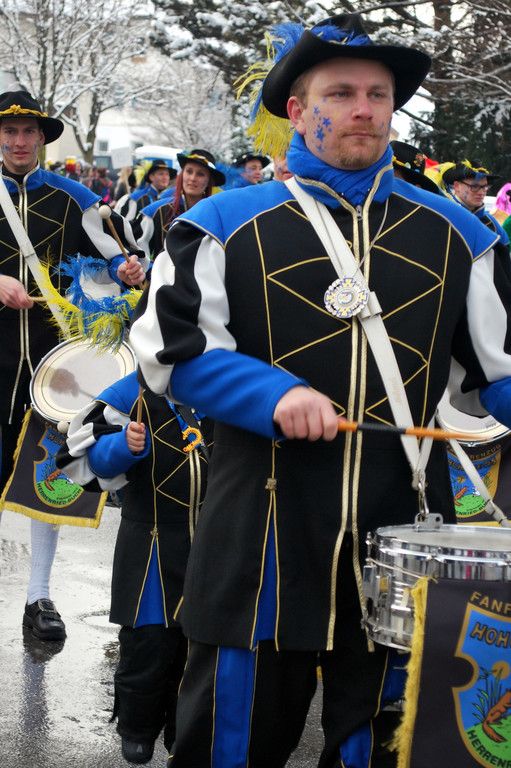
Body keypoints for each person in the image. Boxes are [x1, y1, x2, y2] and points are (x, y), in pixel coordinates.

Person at [130, 12, 511, 768]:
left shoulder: (461, 236)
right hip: (260, 527)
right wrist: (269, 394)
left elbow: (495, 375)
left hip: (403, 532)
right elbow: (170, 353)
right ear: (298, 111)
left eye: (378, 95)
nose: (363, 109)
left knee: (383, 746)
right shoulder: (219, 223)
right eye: (340, 93)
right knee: (231, 742)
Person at [0, 89, 146, 642]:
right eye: (9, 131)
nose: (19, 141)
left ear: (42, 138)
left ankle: (38, 595)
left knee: (49, 474)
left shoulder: (74, 197)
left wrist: (127, 271)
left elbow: (112, 260)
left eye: (28, 132)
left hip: (55, 362)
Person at [55, 371, 212, 764]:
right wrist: (122, 445)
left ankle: (186, 733)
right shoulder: (128, 393)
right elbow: (84, 463)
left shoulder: (219, 381)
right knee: (148, 644)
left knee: (202, 648)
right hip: (150, 542)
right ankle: (138, 727)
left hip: (215, 543)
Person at [137, 149, 225, 260]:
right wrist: (151, 268)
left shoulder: (217, 216)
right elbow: (138, 250)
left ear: (209, 181)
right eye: (189, 171)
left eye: (200, 174)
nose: (192, 178)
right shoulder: (156, 211)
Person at [114, 159, 175, 231]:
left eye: (167, 174)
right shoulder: (137, 198)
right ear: (151, 177)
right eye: (161, 174)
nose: (165, 177)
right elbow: (126, 225)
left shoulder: (169, 198)